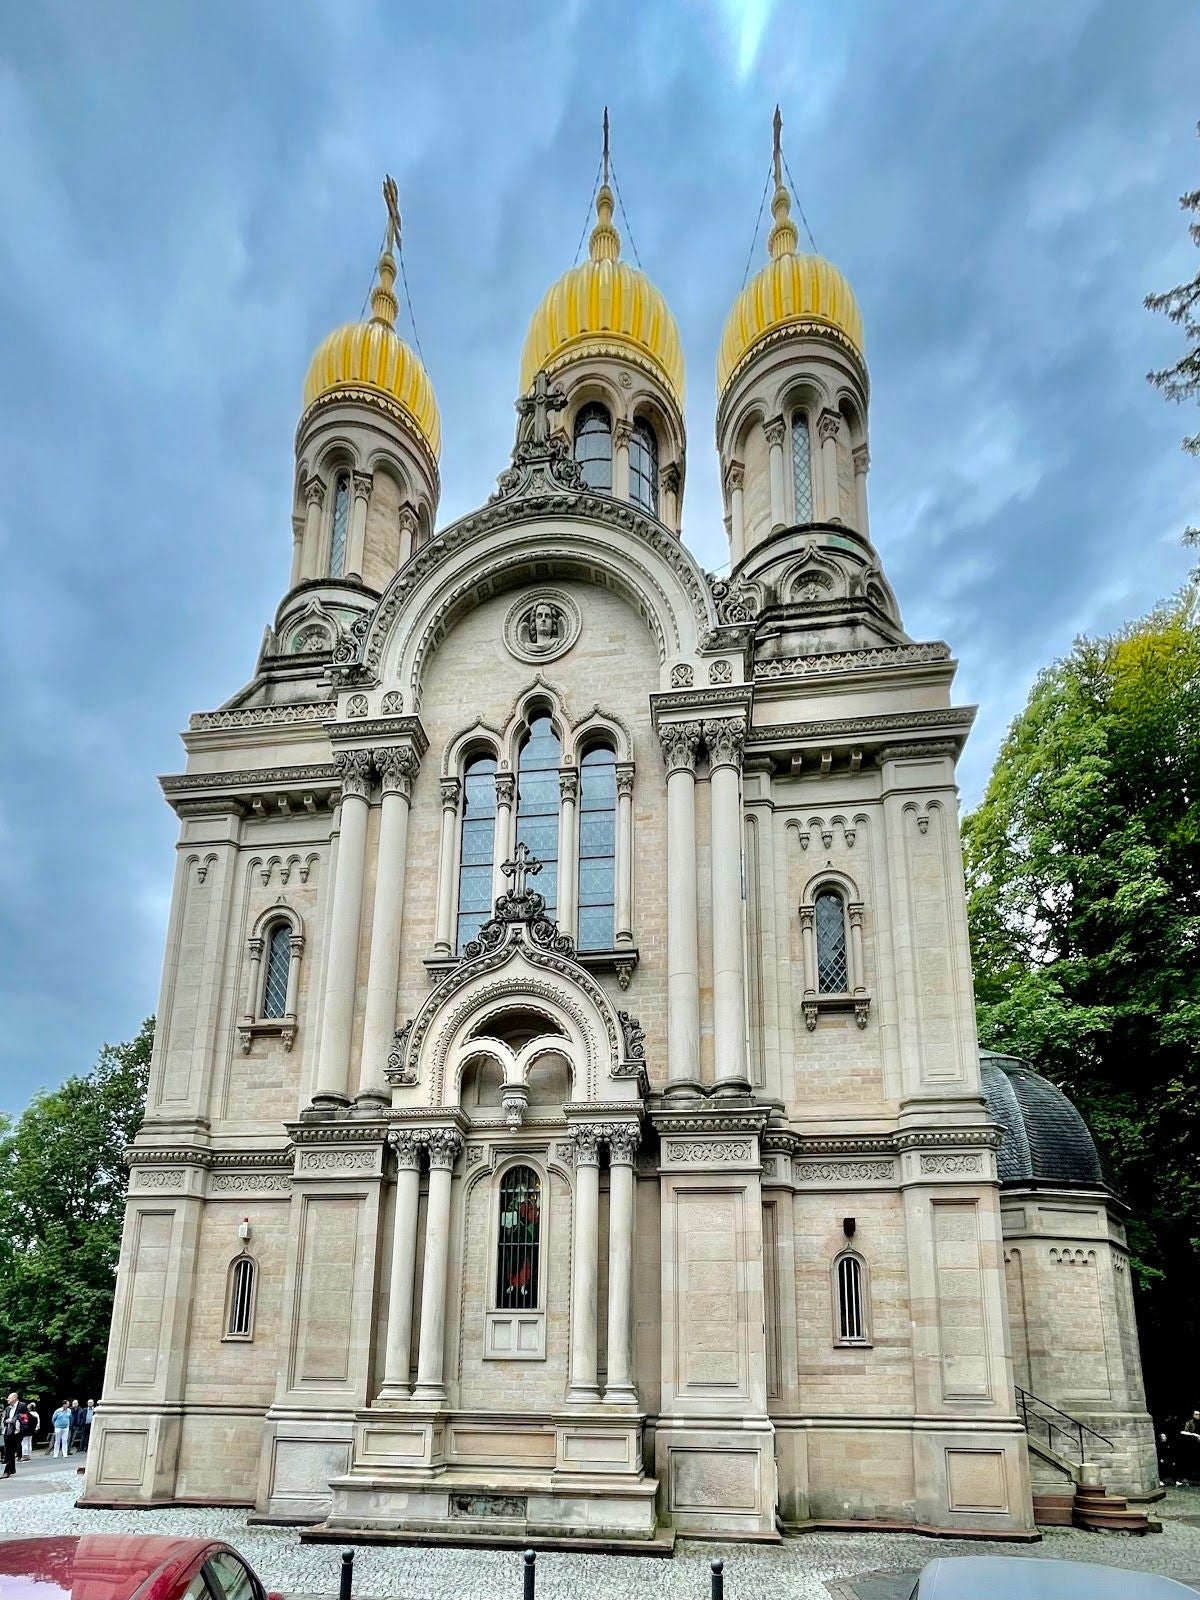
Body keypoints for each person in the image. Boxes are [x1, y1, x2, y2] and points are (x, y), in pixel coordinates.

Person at [2, 1395, 26, 1478]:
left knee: (10, 1451)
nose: (7, 1399)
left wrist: (14, 1420)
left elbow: (25, 1418)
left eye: (9, 1397)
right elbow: (5, 1419)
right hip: (9, 1432)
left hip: (17, 1432)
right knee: (10, 1451)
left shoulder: (22, 1405)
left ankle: (8, 1471)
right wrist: (7, 1421)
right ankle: (10, 1470)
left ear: (15, 1398)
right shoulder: (7, 1408)